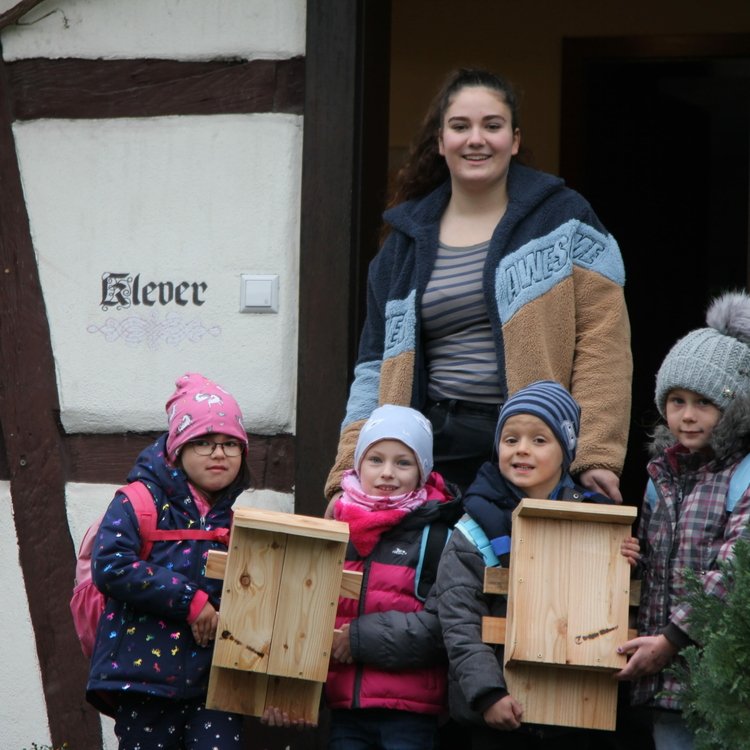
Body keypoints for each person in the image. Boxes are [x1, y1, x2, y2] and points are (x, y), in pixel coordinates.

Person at [325, 67, 631, 507]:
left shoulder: (565, 219)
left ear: (516, 139)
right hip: (427, 453)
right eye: (460, 126)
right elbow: (374, 367)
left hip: (527, 451)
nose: (476, 139)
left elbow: (604, 344)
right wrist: (346, 473)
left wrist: (597, 455)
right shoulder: (404, 242)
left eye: (492, 125)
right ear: (440, 141)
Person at [435, 380, 622, 749]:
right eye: (511, 439)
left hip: (576, 710)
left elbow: (612, 605)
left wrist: (631, 560)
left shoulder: (597, 519)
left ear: (566, 450)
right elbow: (459, 620)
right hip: (497, 713)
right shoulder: (473, 528)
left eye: (539, 440)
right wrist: (487, 694)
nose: (522, 450)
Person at [86, 372, 252, 750]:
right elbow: (111, 564)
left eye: (230, 443)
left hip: (216, 686)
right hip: (143, 681)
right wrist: (190, 603)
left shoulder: (239, 521)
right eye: (204, 442)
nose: (219, 453)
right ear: (177, 449)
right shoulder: (138, 502)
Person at [616, 291, 750, 750]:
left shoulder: (744, 475)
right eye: (676, 400)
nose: (687, 416)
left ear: (734, 410)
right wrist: (634, 557)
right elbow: (658, 561)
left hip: (726, 681)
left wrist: (672, 638)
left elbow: (736, 568)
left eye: (703, 403)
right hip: (666, 681)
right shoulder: (661, 477)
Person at [324, 404, 462, 749]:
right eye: (375, 460)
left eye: (403, 462)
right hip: (345, 706)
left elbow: (443, 626)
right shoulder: (337, 527)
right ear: (358, 465)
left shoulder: (438, 536)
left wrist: (358, 640)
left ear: (422, 471)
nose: (388, 473)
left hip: (409, 712)